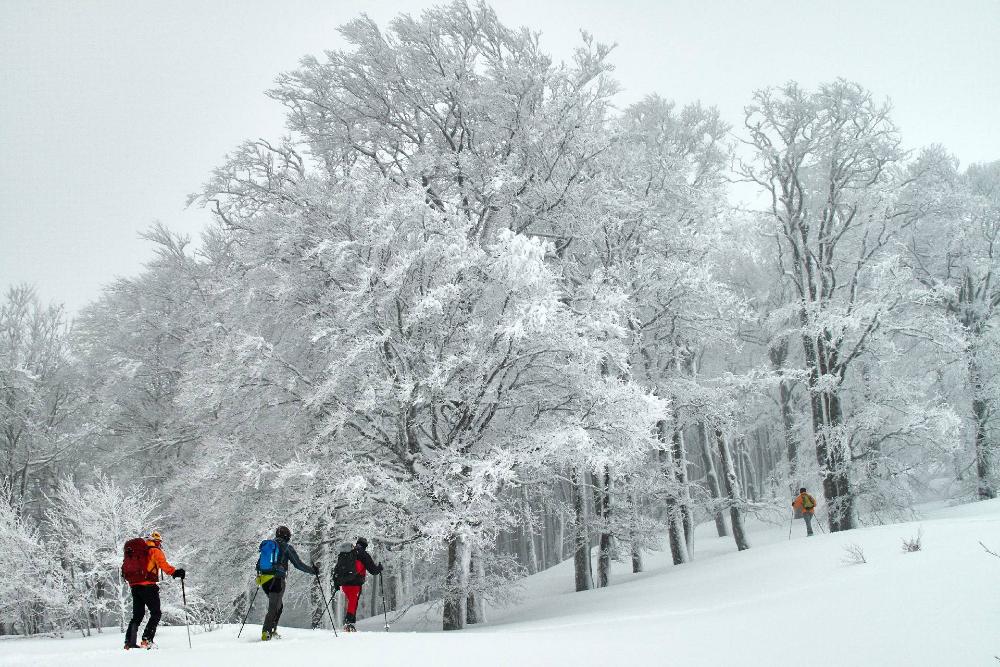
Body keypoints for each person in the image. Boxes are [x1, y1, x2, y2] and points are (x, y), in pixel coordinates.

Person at [124, 531, 185, 650]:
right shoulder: (154, 550)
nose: (160, 544)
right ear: (156, 541)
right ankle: (147, 640)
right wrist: (175, 572)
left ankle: (129, 642)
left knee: (137, 615)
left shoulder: (138, 551)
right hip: (148, 586)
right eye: (159, 542)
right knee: (156, 613)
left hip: (134, 585)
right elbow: (164, 565)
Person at [256, 525, 318, 641]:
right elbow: (298, 564)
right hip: (277, 579)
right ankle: (266, 632)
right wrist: (312, 571)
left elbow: (259, 564)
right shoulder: (286, 547)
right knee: (274, 606)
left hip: (264, 580)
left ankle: (272, 630)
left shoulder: (268, 545)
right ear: (287, 536)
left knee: (278, 606)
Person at [333, 536, 383, 632]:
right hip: (355, 583)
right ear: (365, 546)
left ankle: (350, 624)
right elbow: (373, 571)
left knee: (351, 602)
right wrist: (379, 568)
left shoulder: (348, 553)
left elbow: (338, 567)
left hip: (344, 583)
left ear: (357, 544)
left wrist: (337, 582)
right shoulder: (363, 554)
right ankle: (349, 624)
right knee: (353, 602)